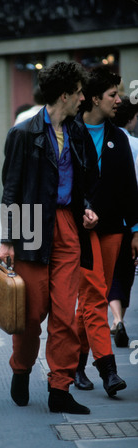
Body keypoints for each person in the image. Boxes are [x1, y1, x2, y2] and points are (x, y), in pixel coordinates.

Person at [0, 61, 98, 415]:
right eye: (80, 92)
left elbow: (90, 179)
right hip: (32, 229)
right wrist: (8, 240)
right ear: (65, 95)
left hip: (69, 227)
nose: (84, 98)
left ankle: (60, 388)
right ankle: (21, 369)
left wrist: (87, 205)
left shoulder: (79, 133)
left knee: (66, 314)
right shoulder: (23, 133)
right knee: (31, 313)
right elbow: (10, 190)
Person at [74, 67, 138, 396]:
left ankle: (75, 364)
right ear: (95, 98)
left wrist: (136, 229)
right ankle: (108, 371)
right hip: (81, 229)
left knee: (90, 300)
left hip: (114, 228)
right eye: (113, 94)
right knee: (95, 295)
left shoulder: (119, 137)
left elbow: (130, 186)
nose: (119, 100)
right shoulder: (70, 131)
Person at [108, 96, 138, 346]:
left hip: (108, 218)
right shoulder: (133, 144)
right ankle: (119, 320)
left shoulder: (103, 139)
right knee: (126, 271)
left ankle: (116, 319)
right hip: (131, 218)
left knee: (111, 271)